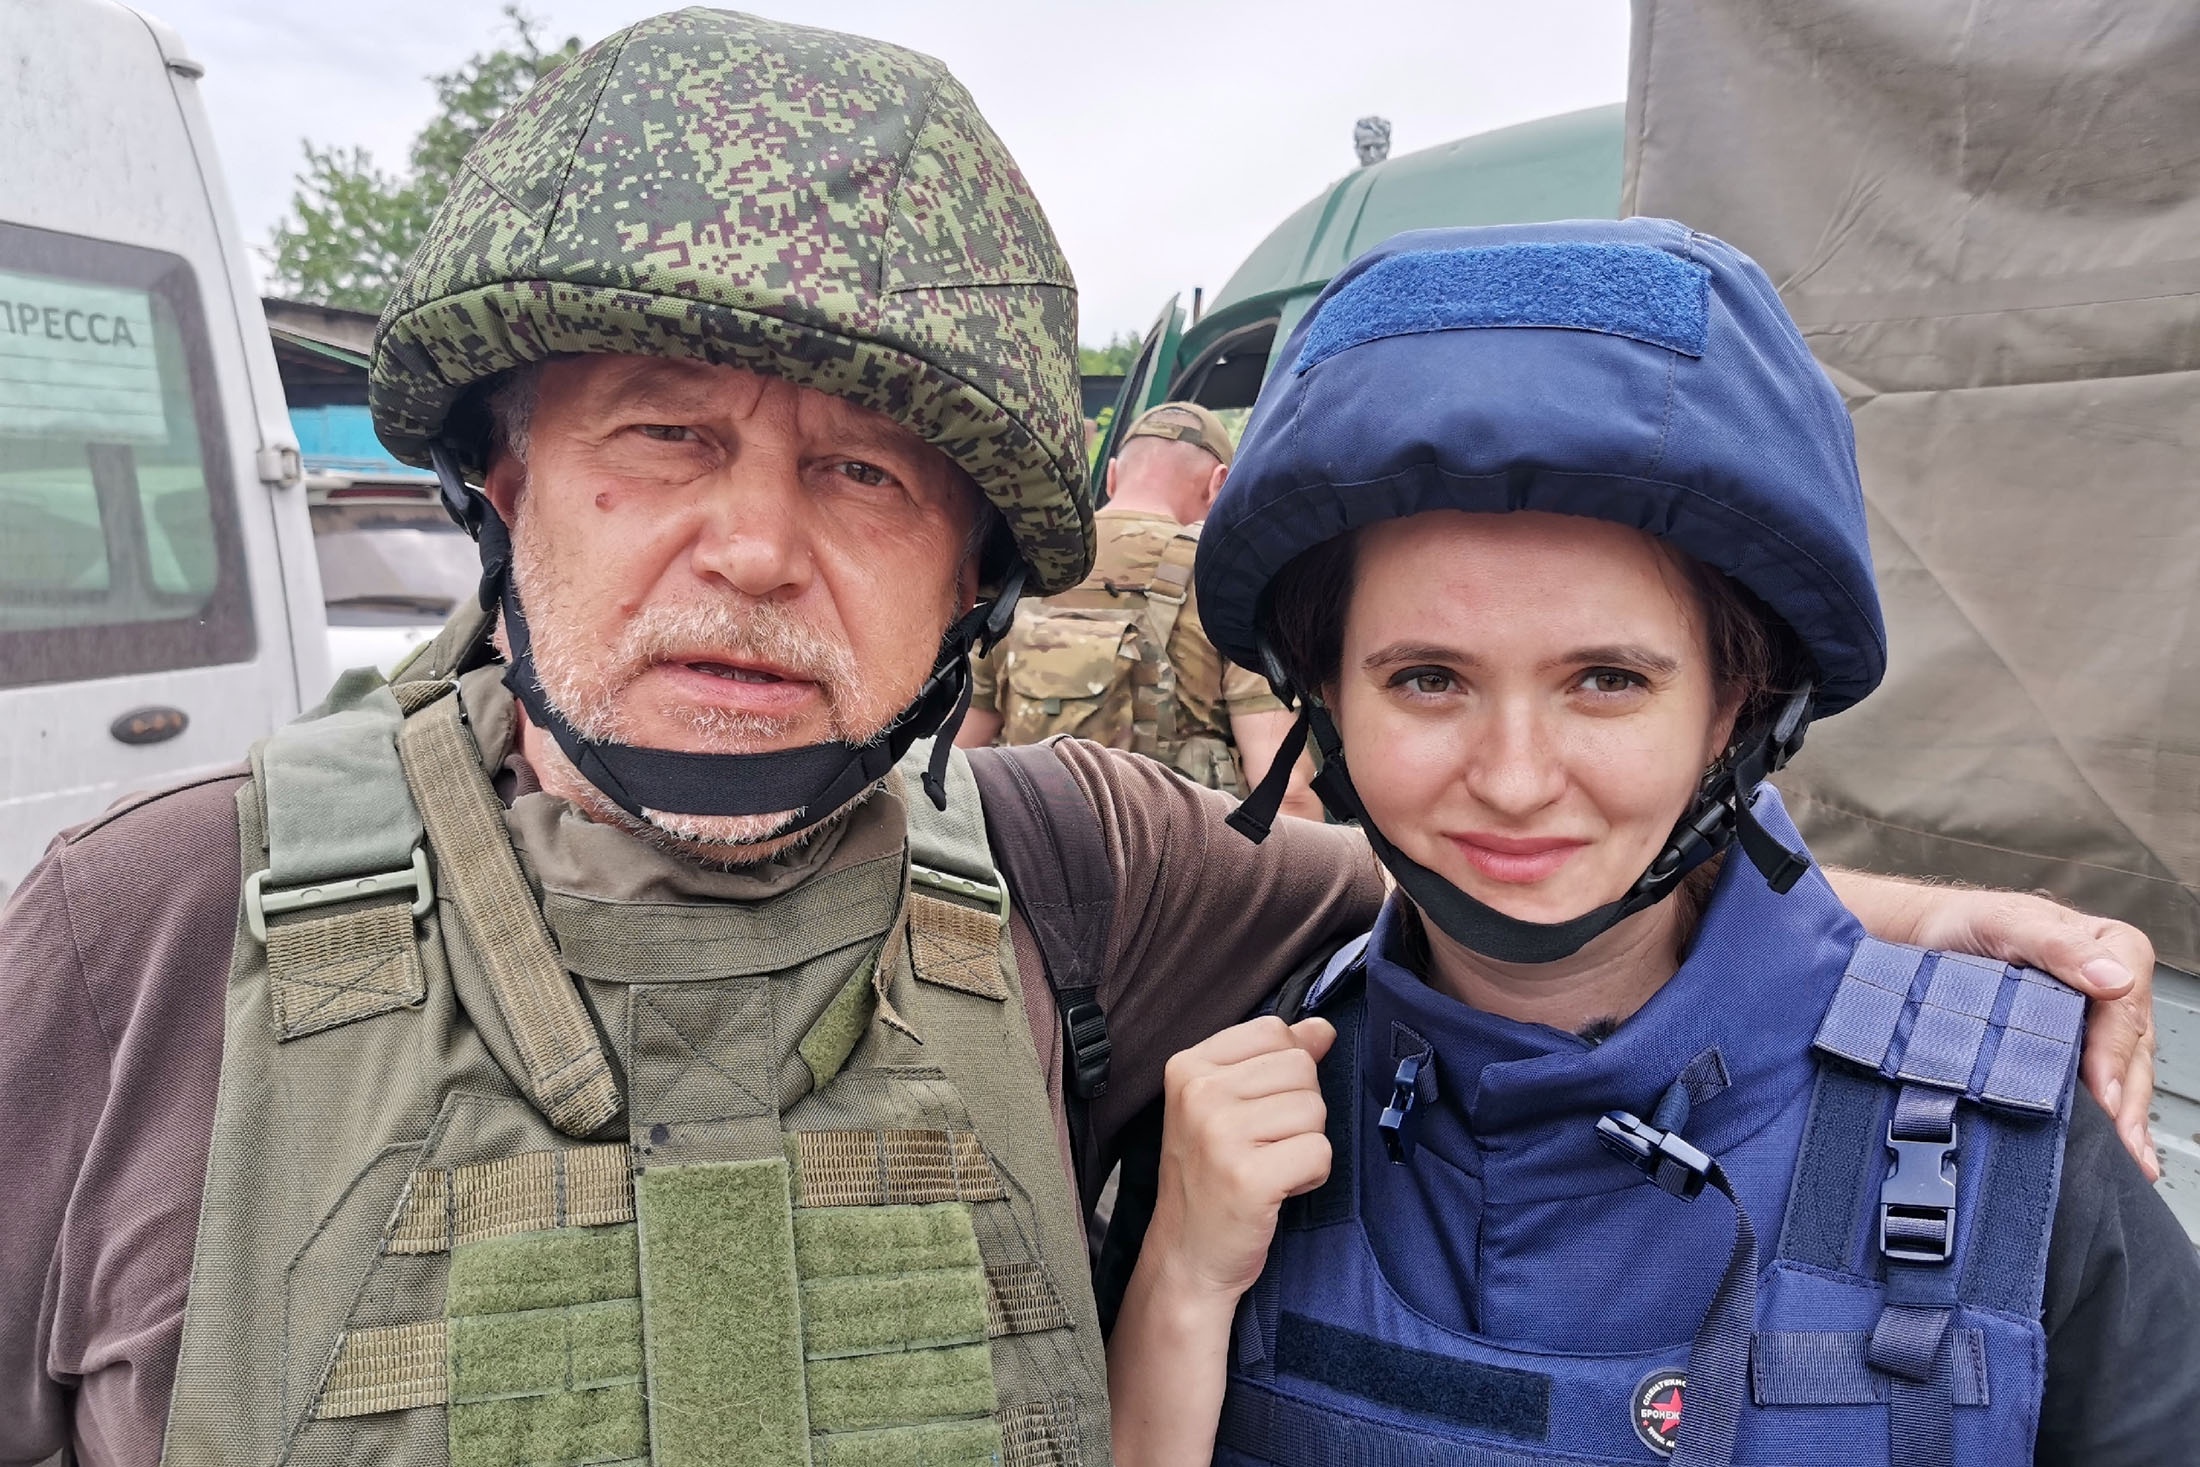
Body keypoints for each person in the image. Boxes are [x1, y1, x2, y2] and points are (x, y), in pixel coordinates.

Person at [0, 17, 2159, 1466]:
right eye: (659, 437)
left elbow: (1514, 878)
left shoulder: (1072, 876)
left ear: (972, 574)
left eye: (862, 475)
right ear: (501, 483)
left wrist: (1916, 936)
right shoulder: (144, 939)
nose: (750, 548)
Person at [1107, 222, 2200, 1466]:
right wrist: (1178, 1285)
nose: (1514, 779)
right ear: (1327, 704)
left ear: (1734, 706)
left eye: (1607, 680)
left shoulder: (2010, 1151)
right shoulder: (1228, 1113)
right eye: (1427, 679)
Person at [960, 401, 1323, 822]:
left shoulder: (1032, 569)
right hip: (1176, 851)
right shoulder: (1227, 578)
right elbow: (1284, 792)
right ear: (1219, 484)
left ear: (1112, 476)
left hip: (1028, 841)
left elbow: (961, 753)